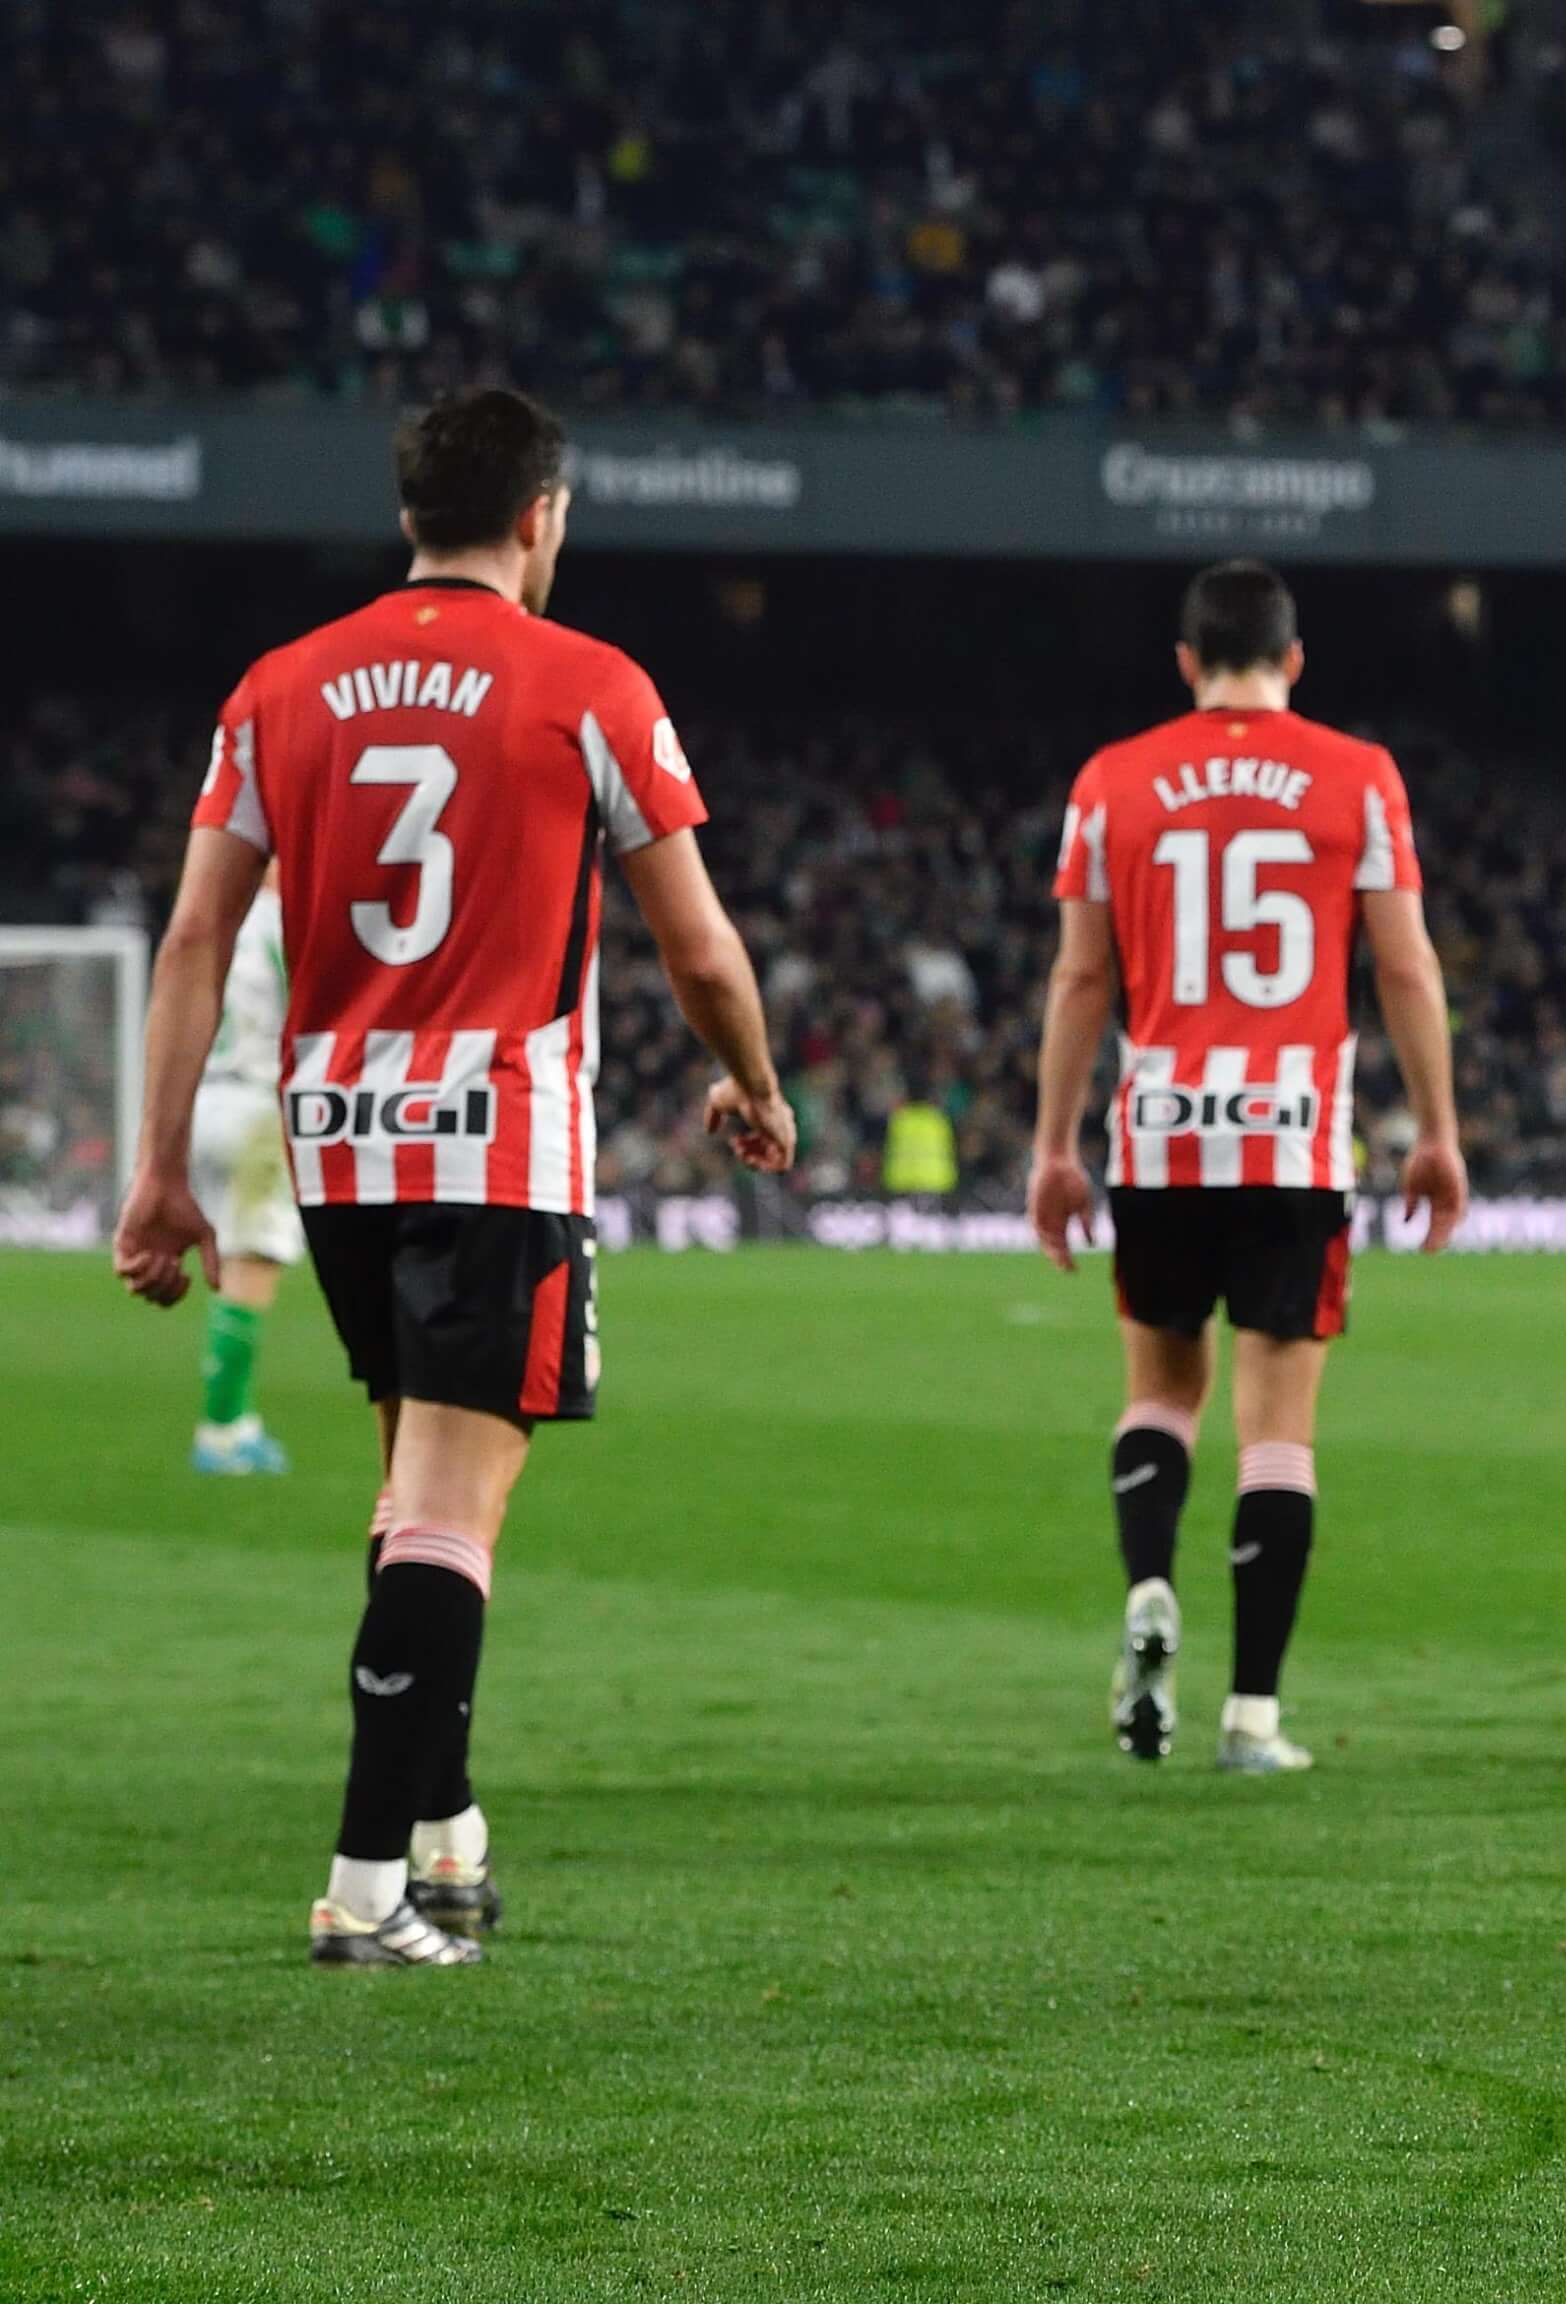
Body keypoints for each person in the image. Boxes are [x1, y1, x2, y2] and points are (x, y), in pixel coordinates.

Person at [115, 386, 798, 1967]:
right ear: (542, 515)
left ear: (411, 509)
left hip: (337, 1148)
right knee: (449, 1507)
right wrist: (753, 1085)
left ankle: (447, 1827)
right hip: (494, 1140)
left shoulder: (280, 688)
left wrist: (161, 1177)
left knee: (412, 1486)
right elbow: (697, 945)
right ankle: (366, 1891)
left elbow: (200, 940)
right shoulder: (589, 684)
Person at [1029, 560, 1469, 1775]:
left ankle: (1150, 1589)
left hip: (1160, 1132)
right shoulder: (1358, 776)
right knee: (1277, 1431)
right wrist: (1436, 1130)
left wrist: (1053, 1148)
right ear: (1293, 660)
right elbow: (1405, 968)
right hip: (1293, 1137)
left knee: (1162, 1397)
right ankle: (1254, 1718)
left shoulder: (1111, 780)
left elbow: (1080, 980)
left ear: (1184, 663)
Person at [185, 888, 302, 1474]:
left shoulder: (223, 912)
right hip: (256, 1104)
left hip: (206, 1095)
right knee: (251, 1266)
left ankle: (232, 1421)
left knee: (232, 1260)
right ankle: (223, 1427)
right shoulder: (287, 917)